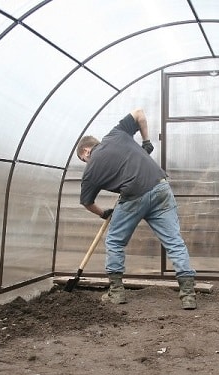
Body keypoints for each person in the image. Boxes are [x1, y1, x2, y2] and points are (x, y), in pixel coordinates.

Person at [76, 109, 197, 309]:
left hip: (134, 197)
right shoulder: (116, 134)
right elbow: (139, 113)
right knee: (174, 241)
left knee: (115, 241)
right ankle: (188, 295)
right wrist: (146, 142)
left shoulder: (90, 171)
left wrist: (103, 213)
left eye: (83, 160)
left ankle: (116, 292)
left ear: (86, 151)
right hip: (160, 188)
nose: (85, 163)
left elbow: (87, 202)